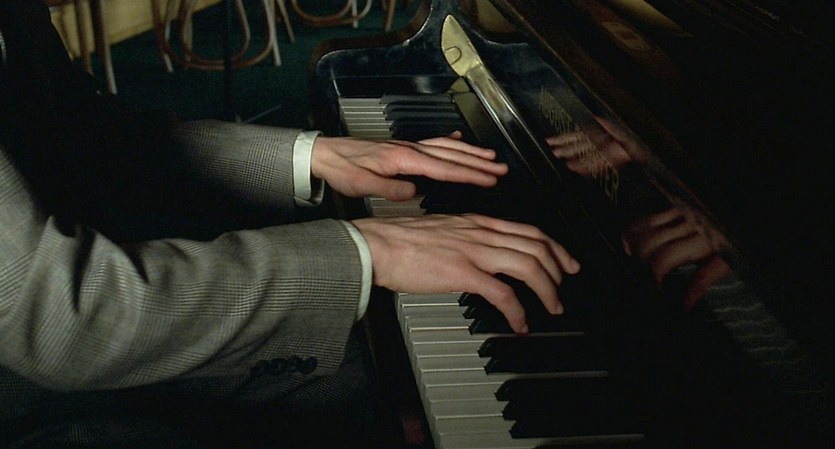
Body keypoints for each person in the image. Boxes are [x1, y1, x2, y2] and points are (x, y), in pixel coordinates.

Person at [0, 1, 580, 447]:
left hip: (81, 339)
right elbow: (60, 318)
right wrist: (368, 250)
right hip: (44, 405)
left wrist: (312, 155)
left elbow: (87, 136)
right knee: (404, 376)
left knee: (390, 352)